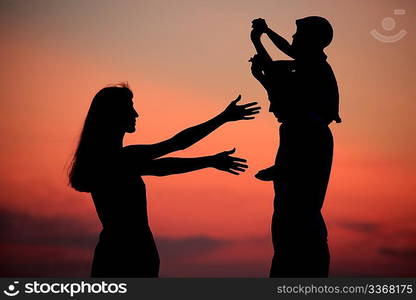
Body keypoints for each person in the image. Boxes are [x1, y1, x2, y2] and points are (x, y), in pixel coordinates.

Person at [68, 83, 260, 277]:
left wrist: (210, 160)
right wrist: (222, 119)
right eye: (130, 107)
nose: (136, 114)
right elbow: (177, 145)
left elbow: (164, 166)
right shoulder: (121, 159)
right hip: (130, 255)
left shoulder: (112, 161)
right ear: (114, 113)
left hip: (116, 252)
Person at [250, 17, 341, 277]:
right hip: (301, 137)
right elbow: (278, 77)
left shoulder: (312, 69)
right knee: (290, 216)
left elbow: (278, 75)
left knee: (297, 215)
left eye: (298, 35)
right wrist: (262, 38)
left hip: (307, 137)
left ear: (312, 40)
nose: (292, 39)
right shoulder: (307, 67)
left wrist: (261, 39)